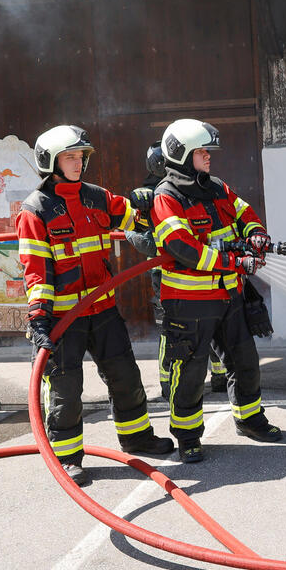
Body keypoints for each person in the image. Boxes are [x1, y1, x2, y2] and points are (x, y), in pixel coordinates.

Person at [15, 125, 173, 486]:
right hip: (62, 318)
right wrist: (39, 318)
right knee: (66, 390)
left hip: (102, 310)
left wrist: (147, 203)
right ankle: (68, 457)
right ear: (51, 161)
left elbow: (134, 216)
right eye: (70, 157)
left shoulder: (97, 197)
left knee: (126, 377)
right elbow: (35, 271)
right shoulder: (34, 210)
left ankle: (136, 437)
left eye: (80, 156)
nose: (77, 163)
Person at [145, 118, 281, 464]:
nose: (209, 157)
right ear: (182, 153)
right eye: (202, 151)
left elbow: (243, 211)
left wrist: (255, 234)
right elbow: (183, 247)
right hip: (190, 303)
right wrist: (236, 263)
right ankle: (188, 437)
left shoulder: (216, 187)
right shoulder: (167, 196)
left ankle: (250, 420)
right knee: (190, 373)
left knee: (245, 362)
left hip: (228, 297)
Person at [124, 144, 228, 398]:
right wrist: (167, 247)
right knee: (171, 328)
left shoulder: (193, 187)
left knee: (212, 322)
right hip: (168, 275)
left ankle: (219, 374)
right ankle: (168, 380)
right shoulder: (149, 195)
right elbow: (137, 234)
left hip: (204, 267)